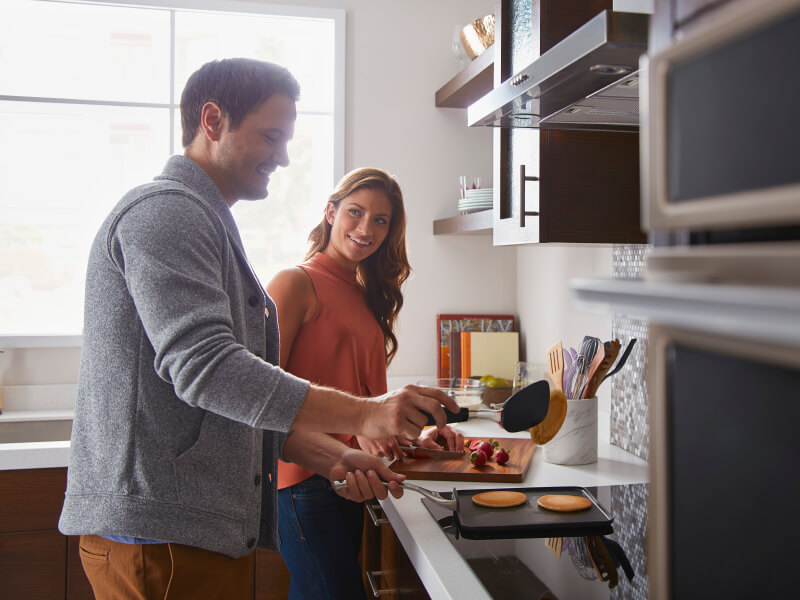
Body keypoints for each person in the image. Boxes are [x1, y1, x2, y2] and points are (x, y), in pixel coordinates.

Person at [57, 58, 458, 600]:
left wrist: (333, 455)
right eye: (271, 136)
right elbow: (210, 372)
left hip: (189, 531)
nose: (284, 156)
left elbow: (232, 404)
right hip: (161, 534)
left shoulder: (205, 221)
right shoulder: (167, 214)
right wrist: (367, 413)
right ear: (213, 120)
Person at [267, 168, 465, 599]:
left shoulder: (364, 294)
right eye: (355, 213)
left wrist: (419, 437)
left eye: (381, 220)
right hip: (302, 477)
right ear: (330, 213)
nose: (365, 228)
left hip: (353, 475)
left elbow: (366, 405)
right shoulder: (294, 283)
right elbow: (262, 394)